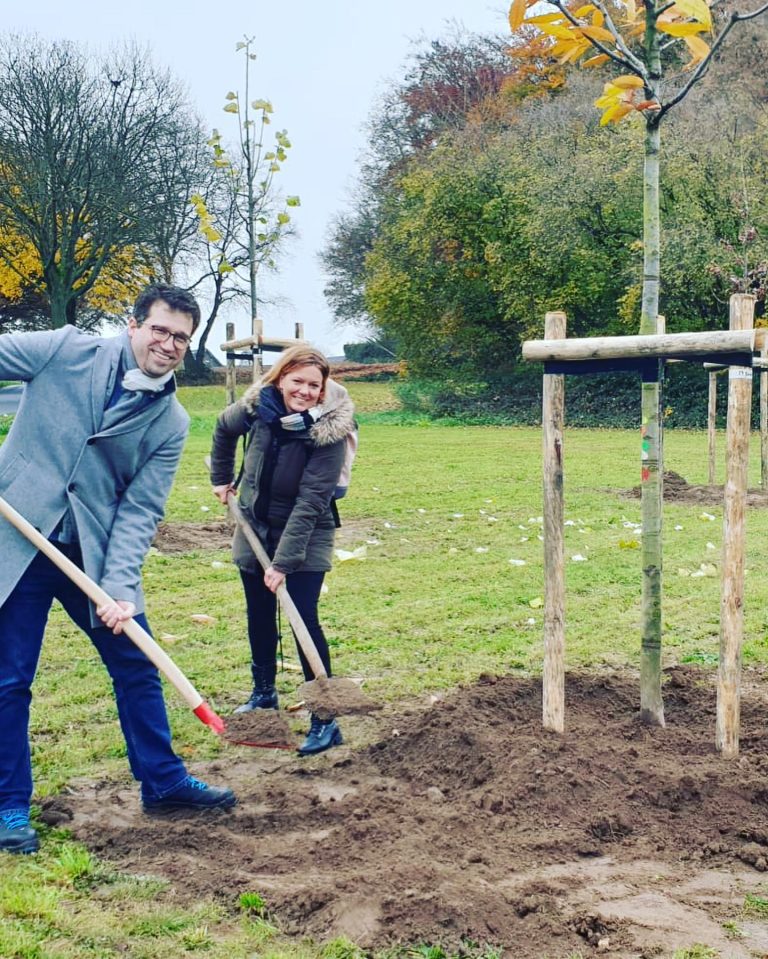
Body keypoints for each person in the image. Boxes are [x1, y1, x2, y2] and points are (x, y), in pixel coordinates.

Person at [0, 284, 236, 856]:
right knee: (9, 680)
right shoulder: (62, 350)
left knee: (137, 662)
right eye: (160, 329)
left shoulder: (171, 421)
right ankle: (8, 807)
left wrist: (121, 591)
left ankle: (165, 782)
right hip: (17, 538)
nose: (170, 344)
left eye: (181, 336)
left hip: (94, 551)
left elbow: (139, 511)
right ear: (133, 325)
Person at [210, 345, 355, 756]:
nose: (306, 392)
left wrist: (283, 563)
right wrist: (222, 478)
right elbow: (222, 429)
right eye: (298, 381)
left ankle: (324, 719)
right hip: (254, 524)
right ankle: (263, 694)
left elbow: (311, 500)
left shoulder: (330, 431)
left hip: (306, 535)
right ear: (279, 378)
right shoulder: (258, 408)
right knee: (258, 612)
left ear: (324, 388)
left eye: (315, 385)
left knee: (302, 620)